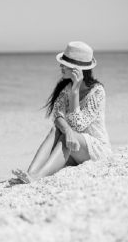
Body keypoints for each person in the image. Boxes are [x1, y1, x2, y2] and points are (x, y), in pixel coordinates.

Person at [11, 41, 111, 184]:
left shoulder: (97, 92)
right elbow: (57, 116)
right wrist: (68, 131)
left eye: (65, 64)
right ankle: (31, 173)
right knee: (56, 130)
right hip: (74, 148)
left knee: (65, 136)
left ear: (78, 69)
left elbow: (77, 126)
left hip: (96, 149)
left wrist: (75, 92)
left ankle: (36, 178)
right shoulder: (65, 87)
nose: (61, 66)